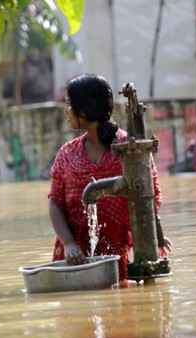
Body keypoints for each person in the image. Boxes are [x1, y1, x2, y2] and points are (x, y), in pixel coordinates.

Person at [48, 73, 171, 282]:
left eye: (69, 104)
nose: (66, 111)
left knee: (120, 304)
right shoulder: (67, 154)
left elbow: (149, 198)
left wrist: (151, 236)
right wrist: (68, 243)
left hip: (114, 256)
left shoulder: (129, 150)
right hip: (73, 257)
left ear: (85, 109)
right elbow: (55, 202)